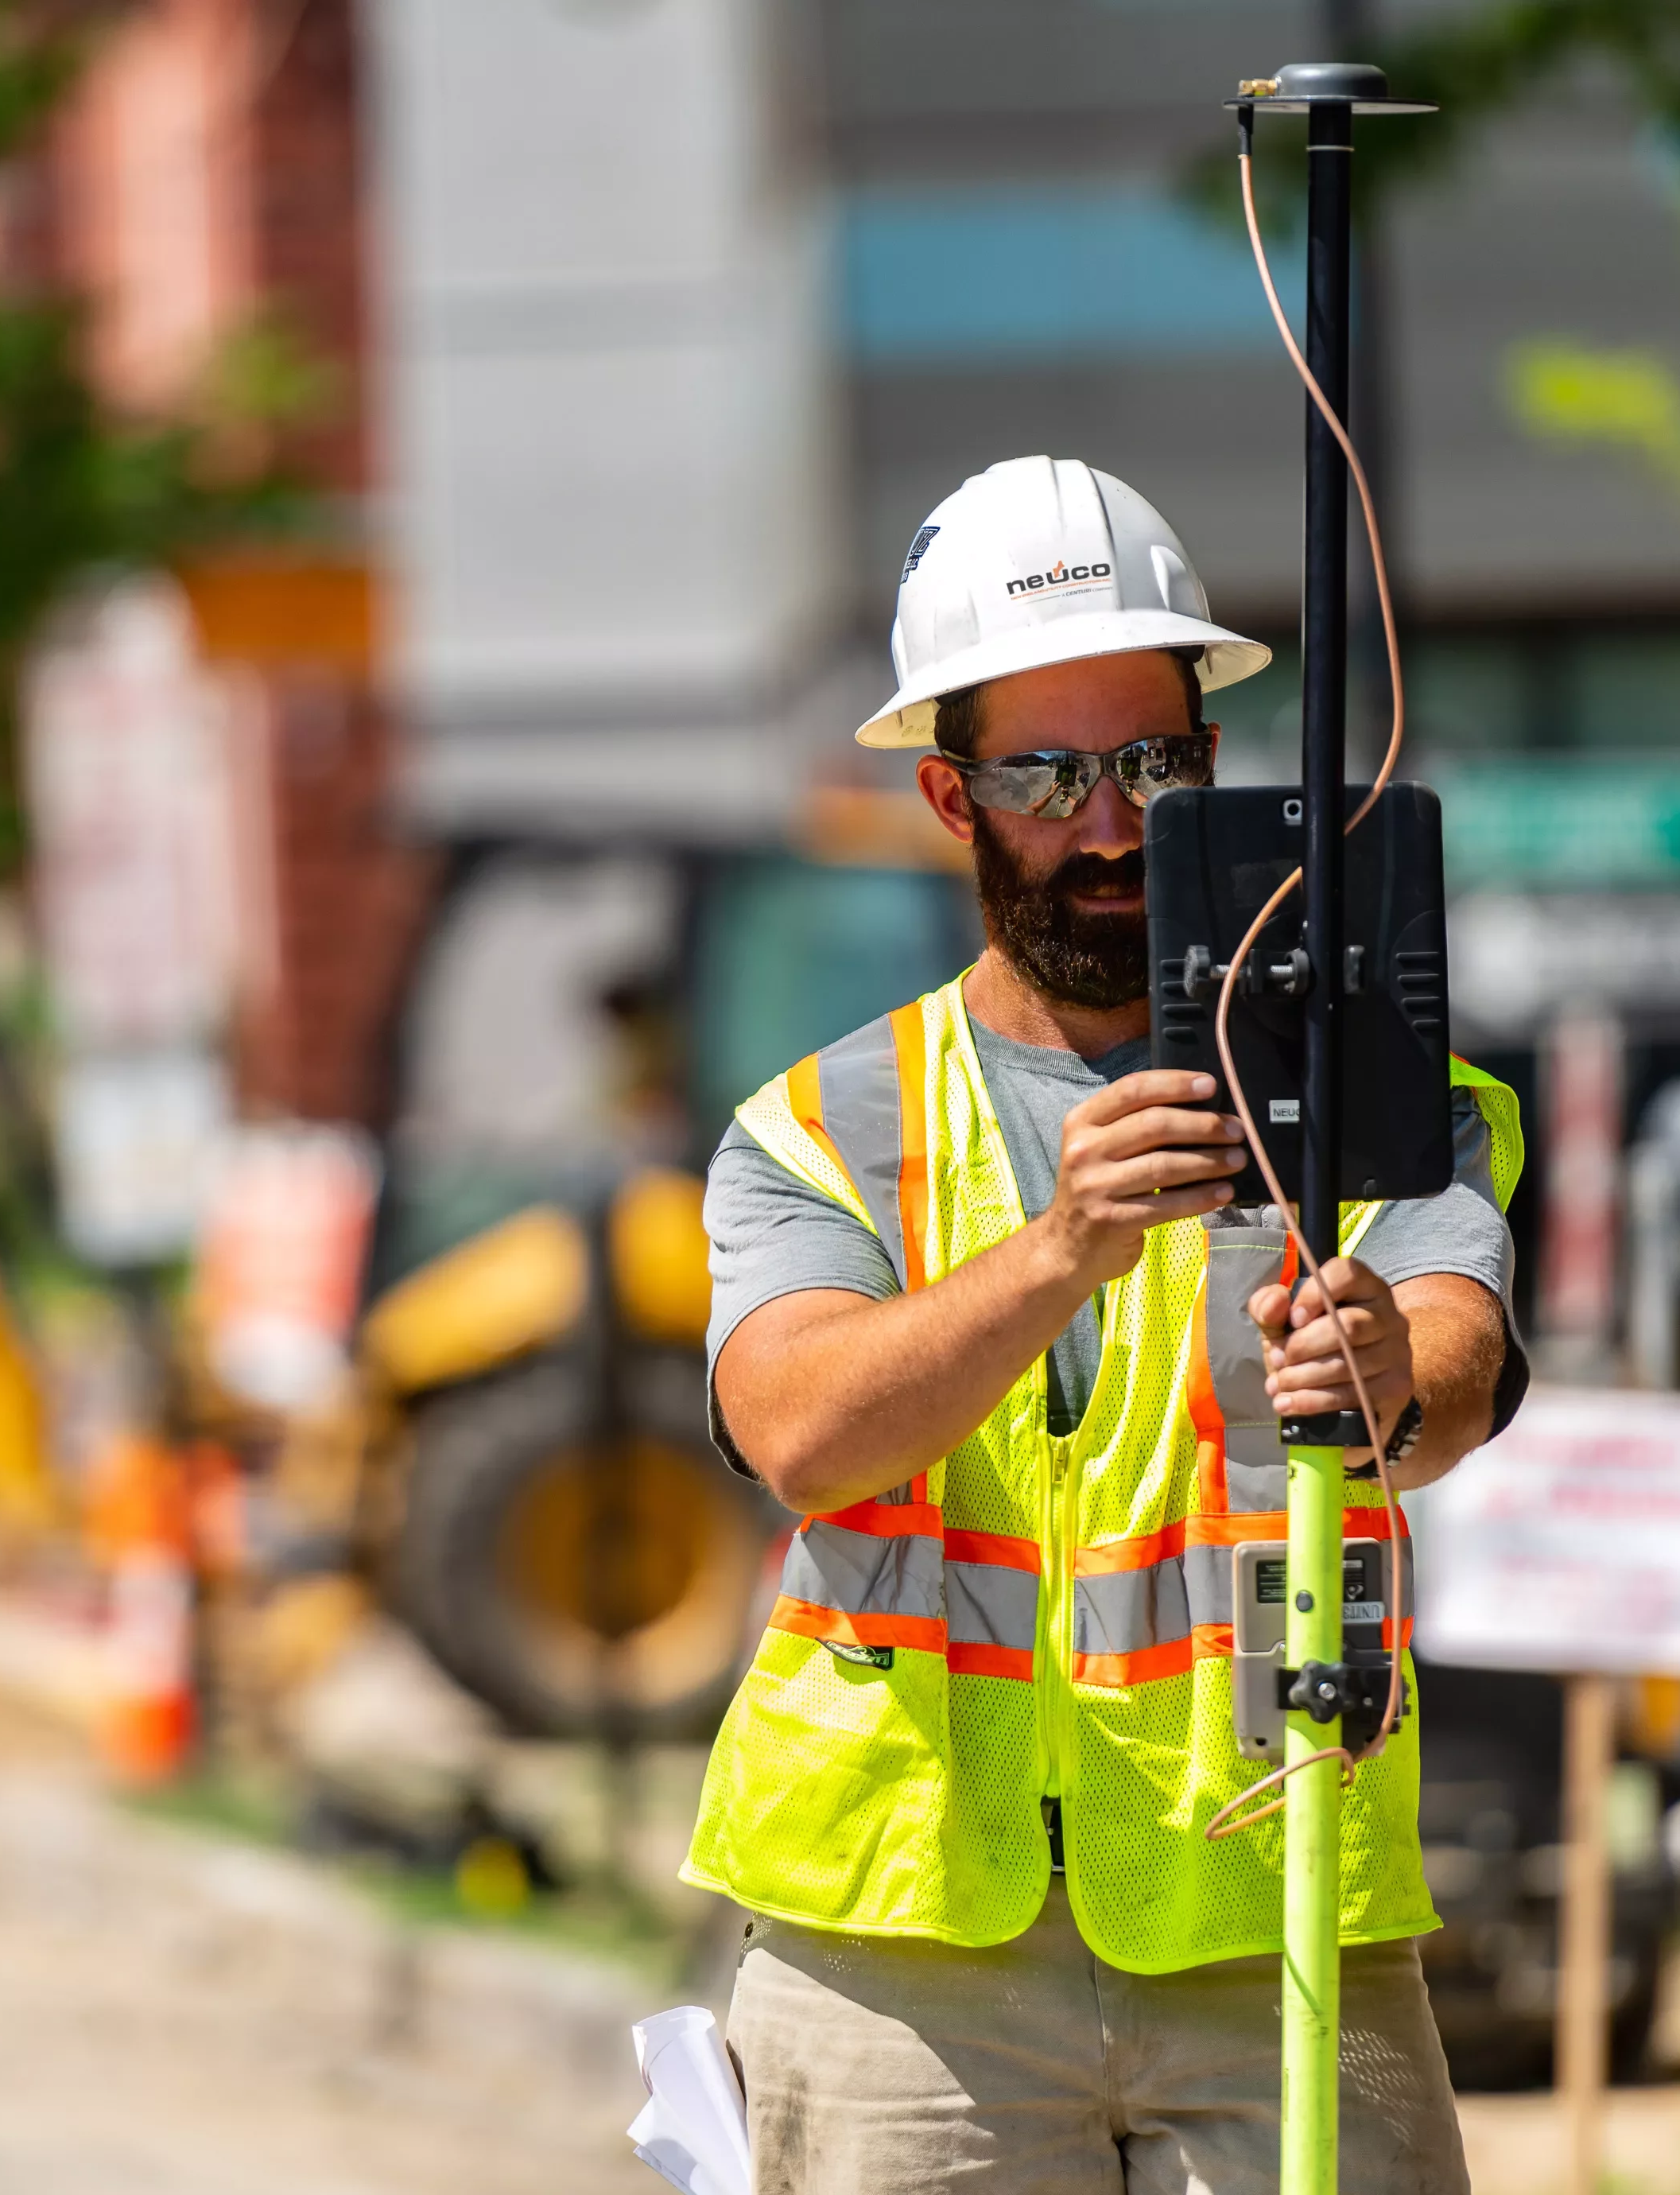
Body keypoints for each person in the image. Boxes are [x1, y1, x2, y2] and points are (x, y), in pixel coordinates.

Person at [686, 456, 1523, 2195]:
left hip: (1278, 1910)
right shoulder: (823, 1126)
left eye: (1153, 762)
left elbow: (1453, 1370)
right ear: (948, 792)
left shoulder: (1366, 1095)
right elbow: (801, 1436)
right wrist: (1059, 1246)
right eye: (1048, 775)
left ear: (1211, 766)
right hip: (900, 1943)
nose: (1113, 822)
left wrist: (1385, 1367)